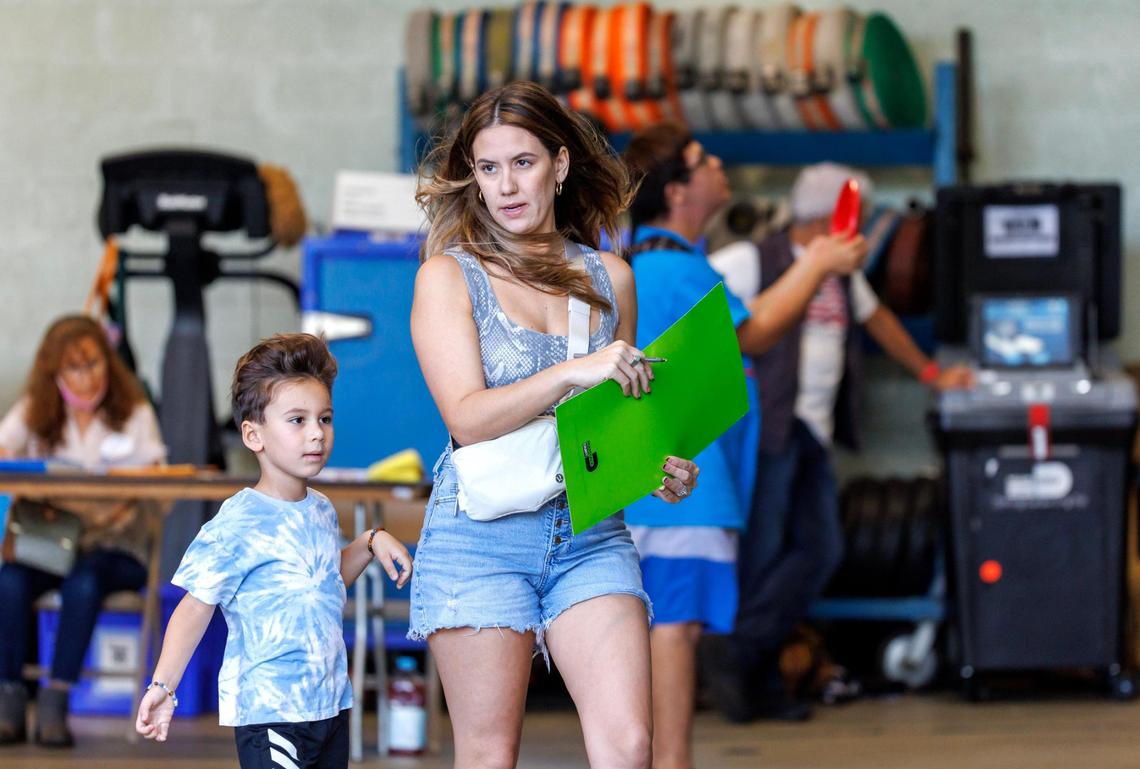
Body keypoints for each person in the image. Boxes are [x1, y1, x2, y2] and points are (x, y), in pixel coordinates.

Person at [409, 81, 701, 769]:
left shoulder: (612, 279)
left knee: (630, 744)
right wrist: (574, 371)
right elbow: (468, 417)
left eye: (523, 162)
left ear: (560, 164)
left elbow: (616, 421)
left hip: (589, 534)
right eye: (488, 168)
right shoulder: (448, 278)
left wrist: (657, 466)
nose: (505, 185)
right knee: (489, 755)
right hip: (479, 536)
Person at [620, 124, 868, 766]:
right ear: (677, 190)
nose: (719, 163)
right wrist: (818, 262)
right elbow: (753, 333)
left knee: (665, 628)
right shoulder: (669, 267)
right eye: (704, 160)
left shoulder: (667, 264)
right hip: (679, 496)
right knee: (674, 630)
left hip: (671, 491)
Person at [706, 162, 975, 722]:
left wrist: (932, 375)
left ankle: (742, 651)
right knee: (763, 556)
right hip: (765, 427)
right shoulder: (750, 260)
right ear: (835, 216)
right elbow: (702, 319)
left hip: (812, 433)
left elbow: (879, 323)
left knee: (819, 549)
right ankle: (750, 680)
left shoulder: (841, 273)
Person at [134, 333, 413, 769]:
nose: (317, 434)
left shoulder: (319, 509)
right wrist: (164, 686)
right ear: (253, 435)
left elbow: (323, 582)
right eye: (297, 420)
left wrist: (371, 541)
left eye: (325, 418)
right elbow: (193, 607)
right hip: (273, 715)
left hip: (329, 707)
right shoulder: (238, 521)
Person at [0, 315, 167, 747]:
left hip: (117, 546)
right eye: (73, 367)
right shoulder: (35, 410)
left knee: (85, 581)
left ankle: (56, 700)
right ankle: (10, 700)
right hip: (53, 544)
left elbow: (163, 487)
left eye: (94, 364)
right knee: (10, 581)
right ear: (54, 371)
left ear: (109, 364)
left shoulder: (135, 412)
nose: (86, 377)